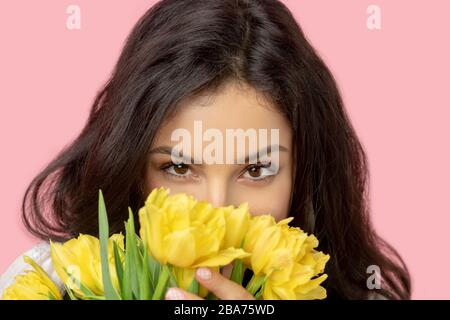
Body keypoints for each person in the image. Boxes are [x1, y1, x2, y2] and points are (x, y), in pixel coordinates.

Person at [0, 0, 410, 300]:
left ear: (304, 175)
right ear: (131, 165)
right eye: (179, 167)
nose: (216, 209)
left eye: (255, 170)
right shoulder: (47, 283)